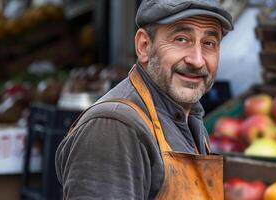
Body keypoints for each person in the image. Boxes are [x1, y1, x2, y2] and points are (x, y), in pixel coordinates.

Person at [55, 0, 233, 199]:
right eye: (181, 39)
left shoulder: (189, 117)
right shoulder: (113, 128)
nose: (197, 60)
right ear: (144, 46)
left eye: (209, 43)